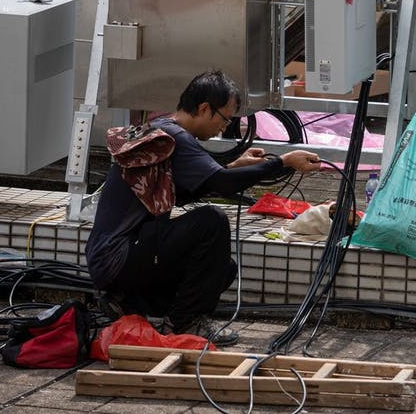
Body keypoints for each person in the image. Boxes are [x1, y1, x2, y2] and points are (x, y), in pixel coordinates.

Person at [85, 70, 320, 345]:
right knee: (212, 220)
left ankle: (125, 304)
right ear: (205, 108)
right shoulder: (177, 138)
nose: (224, 128)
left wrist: (234, 166)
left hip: (116, 259)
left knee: (223, 269)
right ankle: (185, 323)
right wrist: (284, 162)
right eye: (225, 119)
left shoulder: (162, 127)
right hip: (119, 256)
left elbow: (194, 188)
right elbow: (222, 185)